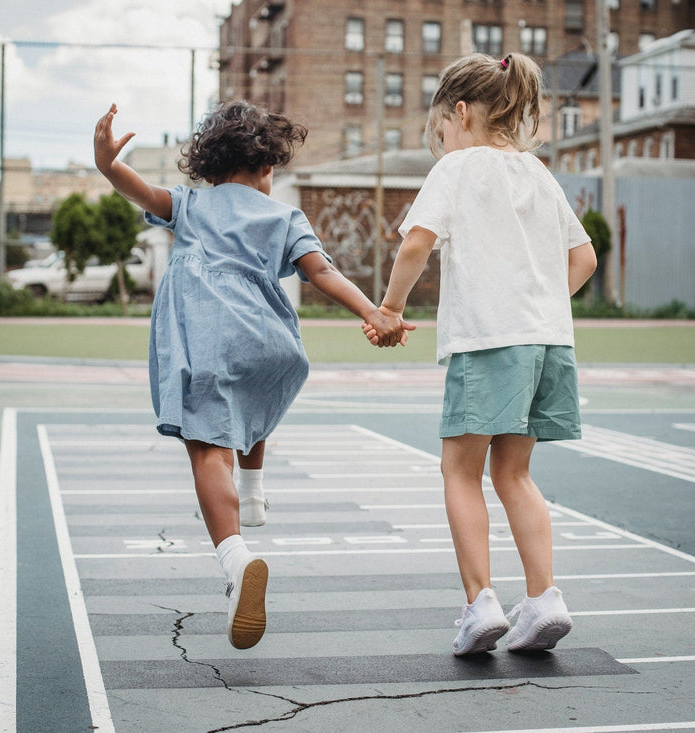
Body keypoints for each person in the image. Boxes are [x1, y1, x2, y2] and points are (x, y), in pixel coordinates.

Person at [94, 100, 408, 650]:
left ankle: (237, 561)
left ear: (209, 166)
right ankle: (256, 491)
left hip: (211, 342)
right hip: (270, 343)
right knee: (255, 397)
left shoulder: (190, 205)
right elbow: (323, 272)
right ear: (266, 167)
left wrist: (107, 166)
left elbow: (141, 193)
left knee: (206, 447)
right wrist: (375, 313)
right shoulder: (285, 216)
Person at [366, 53, 597, 654]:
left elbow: (417, 242)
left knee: (460, 471)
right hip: (548, 340)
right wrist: (539, 303)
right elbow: (585, 259)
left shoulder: (459, 167)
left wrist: (389, 309)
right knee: (515, 472)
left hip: (489, 341)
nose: (442, 136)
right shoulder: (537, 172)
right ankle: (544, 598)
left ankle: (480, 606)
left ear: (460, 112)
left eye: (441, 124)